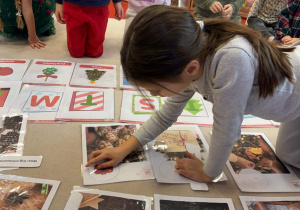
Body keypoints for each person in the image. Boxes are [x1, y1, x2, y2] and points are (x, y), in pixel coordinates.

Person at [86, 5, 300, 182]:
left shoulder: (232, 59)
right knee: (288, 155)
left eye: (156, 89)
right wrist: (124, 149)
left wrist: (209, 173)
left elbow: (227, 129)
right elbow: (165, 115)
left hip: (295, 98)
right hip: (292, 105)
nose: (154, 95)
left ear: (190, 69)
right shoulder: (187, 56)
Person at [55, 0, 123, 58]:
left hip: (99, 7)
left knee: (95, 52)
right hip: (72, 5)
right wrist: (58, 3)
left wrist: (117, 2)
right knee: (76, 52)